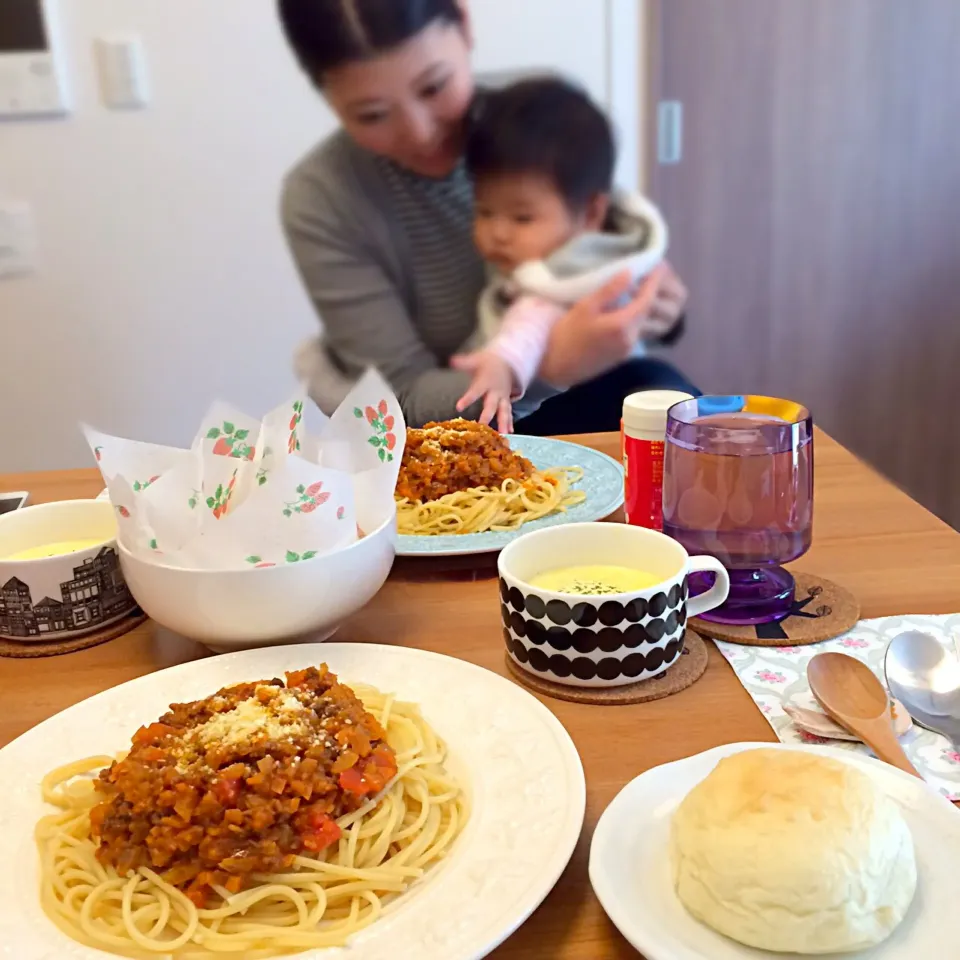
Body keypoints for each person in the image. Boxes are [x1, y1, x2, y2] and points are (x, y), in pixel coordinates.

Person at [277, 0, 697, 435]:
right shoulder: (323, 197)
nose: (419, 133)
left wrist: (658, 310)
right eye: (373, 115)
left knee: (678, 415)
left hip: (594, 390)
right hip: (451, 429)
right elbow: (397, 400)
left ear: (464, 24)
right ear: (325, 97)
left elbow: (602, 240)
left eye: (434, 87)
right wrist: (545, 366)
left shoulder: (538, 115)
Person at [452, 76, 672, 433]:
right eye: (484, 211)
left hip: (585, 409)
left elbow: (532, 319)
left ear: (590, 214)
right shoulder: (608, 245)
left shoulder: (563, 274)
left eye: (522, 217)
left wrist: (500, 362)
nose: (498, 232)